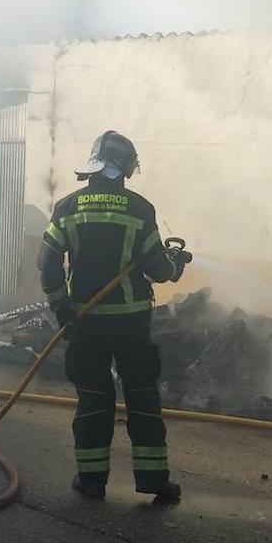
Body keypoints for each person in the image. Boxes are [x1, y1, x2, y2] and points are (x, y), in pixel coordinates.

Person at [37, 131, 193, 501]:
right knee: (142, 397)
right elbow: (157, 269)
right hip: (130, 324)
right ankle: (154, 480)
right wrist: (176, 266)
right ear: (126, 169)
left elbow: (47, 264)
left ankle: (91, 481)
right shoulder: (139, 209)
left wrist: (62, 307)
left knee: (93, 398)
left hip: (84, 323)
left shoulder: (67, 207)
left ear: (92, 165)